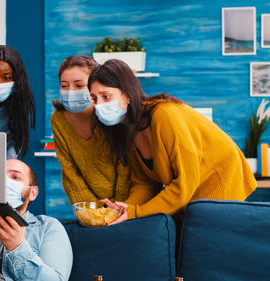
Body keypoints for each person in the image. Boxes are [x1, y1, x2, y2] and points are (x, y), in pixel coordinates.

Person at [87, 59, 257, 224]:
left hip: (220, 181)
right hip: (191, 192)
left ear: (127, 94)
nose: (99, 105)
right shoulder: (128, 130)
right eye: (94, 99)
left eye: (106, 96)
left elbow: (183, 186)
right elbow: (145, 183)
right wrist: (126, 209)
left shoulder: (165, 114)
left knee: (202, 244)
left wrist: (135, 213)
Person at [50, 56, 131, 205]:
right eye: (64, 85)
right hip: (89, 206)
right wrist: (91, 211)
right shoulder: (58, 119)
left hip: (126, 203)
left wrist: (116, 208)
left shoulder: (109, 113)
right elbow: (70, 171)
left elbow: (125, 167)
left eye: (79, 85)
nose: (70, 91)